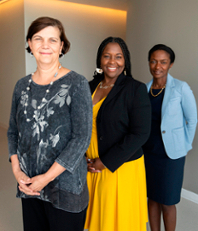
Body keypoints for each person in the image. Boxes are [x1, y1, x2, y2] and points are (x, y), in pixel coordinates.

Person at [7, 16, 92, 231]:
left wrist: (46, 178)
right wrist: (18, 172)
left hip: (65, 187)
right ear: (29, 43)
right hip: (29, 185)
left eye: (53, 40)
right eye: (38, 38)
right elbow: (12, 132)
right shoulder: (21, 86)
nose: (45, 45)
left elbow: (82, 138)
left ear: (62, 45)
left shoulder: (77, 83)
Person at [84, 37, 151, 231]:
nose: (112, 62)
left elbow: (140, 133)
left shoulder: (134, 89)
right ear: (100, 60)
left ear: (125, 61)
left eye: (118, 56)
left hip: (118, 166)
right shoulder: (89, 86)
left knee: (115, 222)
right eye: (107, 56)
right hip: (90, 165)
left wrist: (105, 162)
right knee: (97, 219)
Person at [143, 44, 197, 231]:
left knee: (167, 201)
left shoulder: (180, 88)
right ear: (149, 62)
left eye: (163, 62)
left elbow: (192, 119)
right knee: (152, 198)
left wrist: (184, 145)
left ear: (170, 64)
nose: (158, 66)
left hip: (170, 156)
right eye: (154, 61)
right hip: (148, 153)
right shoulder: (144, 89)